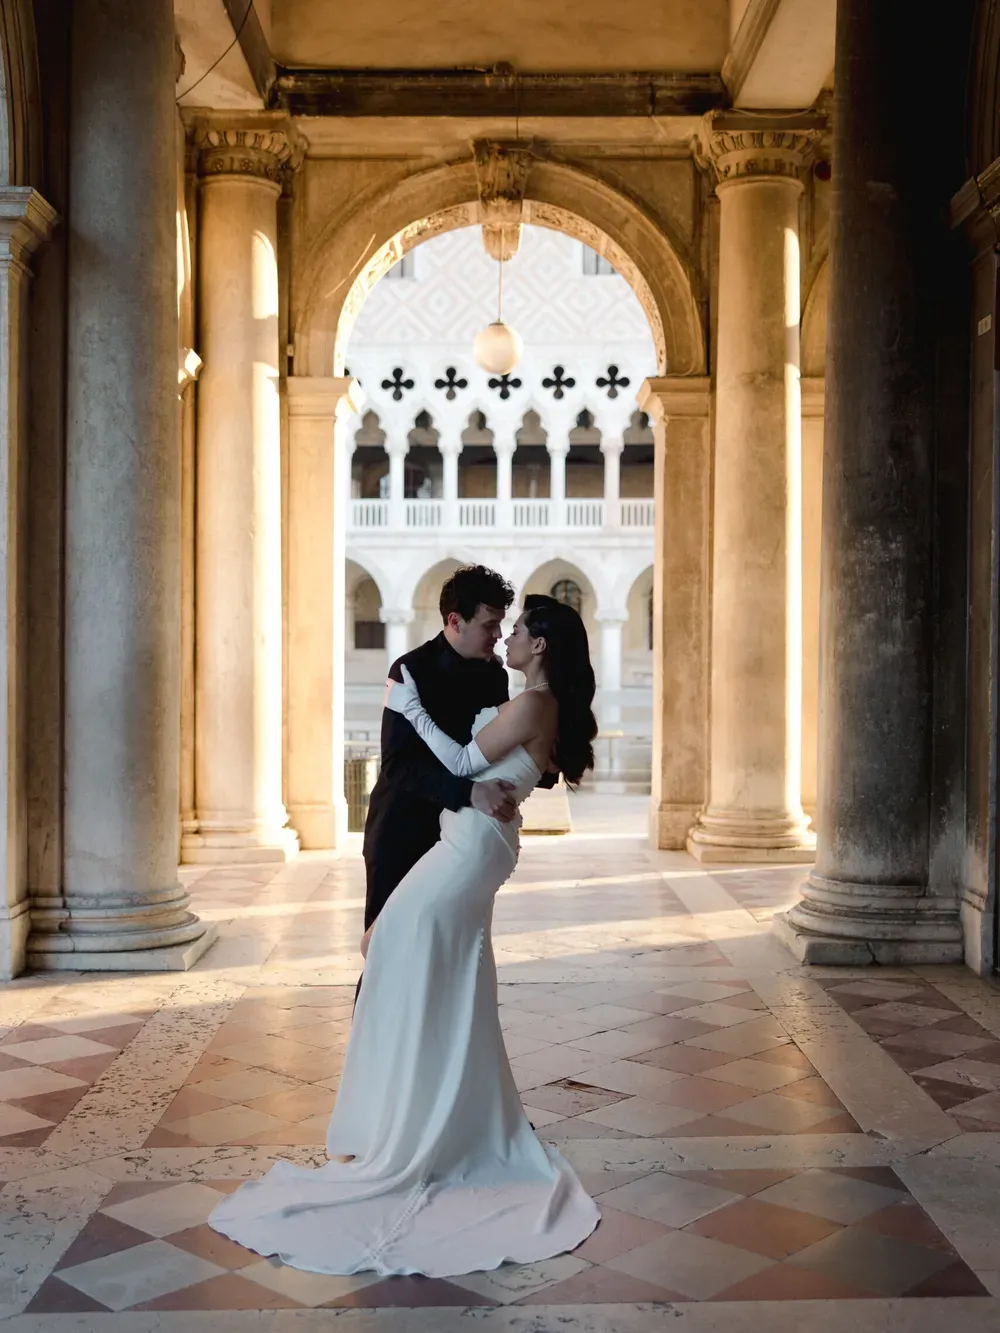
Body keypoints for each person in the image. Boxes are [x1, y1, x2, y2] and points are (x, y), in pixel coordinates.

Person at [209, 594, 601, 1278]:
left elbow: (458, 760)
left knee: (399, 945)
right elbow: (464, 771)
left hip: (472, 845)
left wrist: (408, 706)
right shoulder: (524, 696)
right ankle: (423, 1113)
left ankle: (424, 1125)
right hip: (467, 837)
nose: (503, 637)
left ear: (540, 646)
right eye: (494, 625)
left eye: (514, 630)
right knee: (432, 963)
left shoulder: (533, 702)